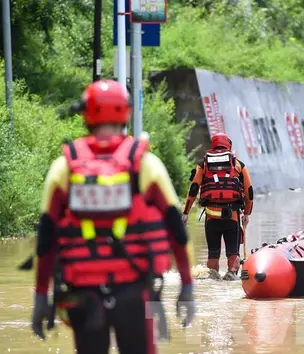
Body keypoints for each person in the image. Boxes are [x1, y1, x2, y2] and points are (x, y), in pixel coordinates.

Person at [29, 80, 196, 354]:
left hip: (83, 295)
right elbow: (178, 231)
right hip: (136, 292)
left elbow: (45, 241)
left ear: (86, 114)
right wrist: (187, 286)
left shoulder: (64, 168)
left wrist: (39, 296)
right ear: (126, 113)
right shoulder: (146, 165)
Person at [182, 133, 254, 281]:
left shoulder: (203, 164)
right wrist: (247, 214)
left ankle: (212, 278)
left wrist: (186, 212)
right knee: (233, 253)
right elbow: (250, 192)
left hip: (211, 217)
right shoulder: (238, 164)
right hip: (232, 217)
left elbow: (194, 189)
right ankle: (231, 274)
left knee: (213, 253)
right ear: (229, 145)